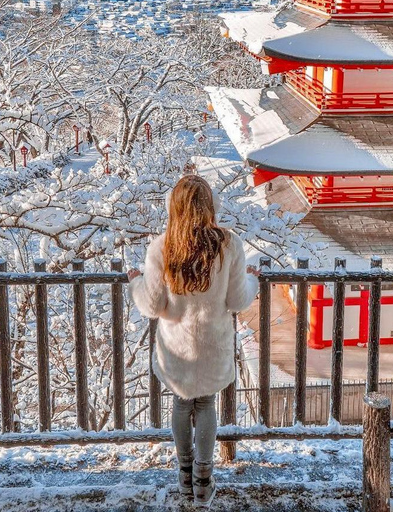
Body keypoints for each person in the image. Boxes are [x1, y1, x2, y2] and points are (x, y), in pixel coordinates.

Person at [128, 175, 260, 507]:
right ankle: (204, 479)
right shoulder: (228, 244)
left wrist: (135, 283)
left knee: (182, 404)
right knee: (206, 405)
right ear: (209, 206)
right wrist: (252, 281)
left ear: (175, 207)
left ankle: (184, 475)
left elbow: (152, 305)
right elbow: (237, 300)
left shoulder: (162, 247)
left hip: (177, 348)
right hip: (213, 343)